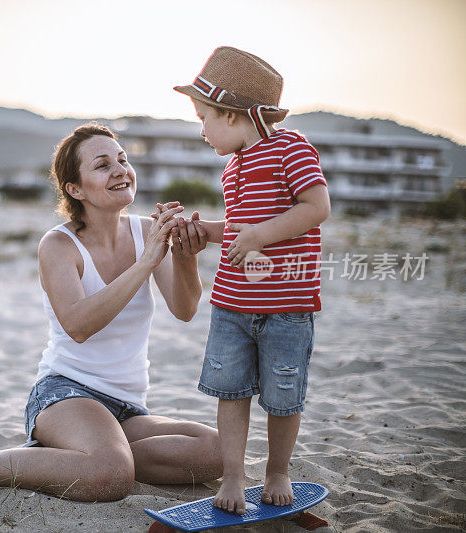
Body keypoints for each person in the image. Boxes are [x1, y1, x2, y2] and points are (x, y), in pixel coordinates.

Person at [0, 123, 223, 502]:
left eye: (122, 159)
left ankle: (75, 457)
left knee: (218, 451)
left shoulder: (146, 232)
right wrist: (146, 261)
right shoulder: (58, 245)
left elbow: (184, 309)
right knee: (111, 476)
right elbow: (79, 325)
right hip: (66, 393)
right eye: (102, 165)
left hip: (128, 409)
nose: (120, 170)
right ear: (75, 188)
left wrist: (183, 258)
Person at [172, 46, 331, 515]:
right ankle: (235, 477)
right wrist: (206, 232)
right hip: (231, 305)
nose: (201, 129)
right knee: (231, 391)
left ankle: (277, 469)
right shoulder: (233, 167)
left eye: (205, 117)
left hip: (287, 305)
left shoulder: (290, 147)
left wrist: (261, 235)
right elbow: (242, 229)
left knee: (283, 396)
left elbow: (316, 207)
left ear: (234, 114)